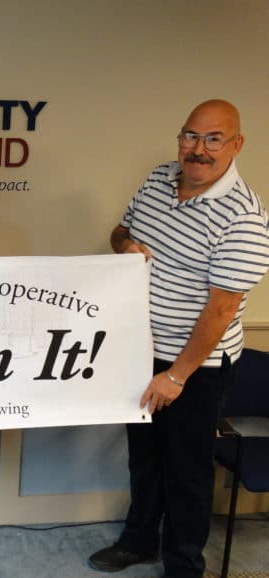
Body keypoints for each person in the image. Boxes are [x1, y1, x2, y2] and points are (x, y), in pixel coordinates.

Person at [88, 100, 269, 578]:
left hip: (196, 368)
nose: (198, 149)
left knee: (187, 470)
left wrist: (177, 374)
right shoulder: (158, 178)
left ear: (237, 145)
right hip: (138, 350)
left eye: (213, 139)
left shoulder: (244, 218)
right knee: (144, 457)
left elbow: (221, 309)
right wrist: (125, 244)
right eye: (190, 135)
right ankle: (139, 541)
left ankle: (183, 565)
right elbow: (120, 231)